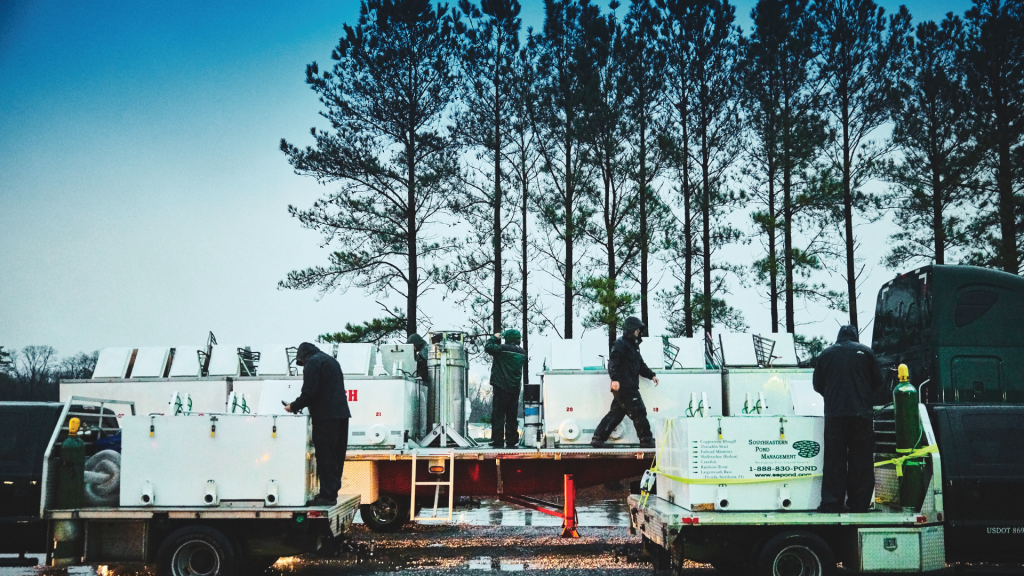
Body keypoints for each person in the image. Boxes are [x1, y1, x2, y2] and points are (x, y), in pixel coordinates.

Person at [812, 325, 883, 513]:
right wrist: (863, 395)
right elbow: (878, 381)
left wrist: (832, 396)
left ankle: (831, 503)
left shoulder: (826, 354)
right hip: (861, 414)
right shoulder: (866, 353)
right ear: (855, 337)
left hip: (835, 414)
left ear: (838, 337)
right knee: (861, 460)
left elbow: (817, 384)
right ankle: (859, 504)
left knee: (834, 460)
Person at [284, 342, 351, 506]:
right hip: (341, 415)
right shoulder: (331, 361)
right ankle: (332, 492)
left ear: (302, 356)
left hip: (325, 417)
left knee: (325, 455)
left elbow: (309, 391)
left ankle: (326, 496)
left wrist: (293, 406)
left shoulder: (312, 362)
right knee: (336, 456)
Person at [591, 316, 660, 449]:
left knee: (616, 414)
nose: (638, 331)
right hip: (625, 386)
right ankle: (646, 440)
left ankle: (598, 439)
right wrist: (615, 379)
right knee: (639, 412)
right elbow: (613, 361)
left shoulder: (633, 346)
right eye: (637, 329)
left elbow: (640, 364)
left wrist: (651, 375)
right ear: (631, 329)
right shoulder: (621, 343)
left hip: (627, 386)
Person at [485, 329, 527, 449]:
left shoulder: (502, 350)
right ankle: (512, 439)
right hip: (515, 388)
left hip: (501, 387)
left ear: (507, 338)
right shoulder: (522, 353)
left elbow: (488, 347)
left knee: (498, 415)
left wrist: (494, 337)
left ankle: (497, 440)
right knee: (512, 416)